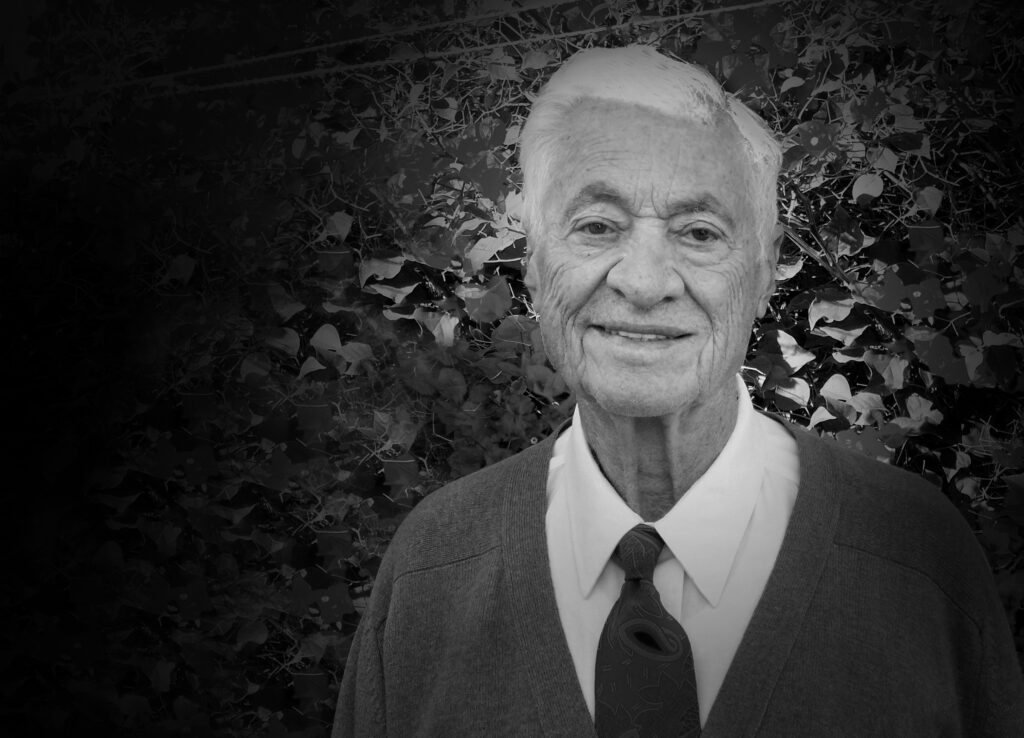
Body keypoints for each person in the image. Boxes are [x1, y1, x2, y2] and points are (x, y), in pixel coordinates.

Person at [333, 45, 1023, 737]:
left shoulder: (919, 556)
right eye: (598, 226)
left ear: (762, 273)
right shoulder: (433, 567)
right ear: (536, 269)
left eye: (698, 232)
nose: (644, 280)